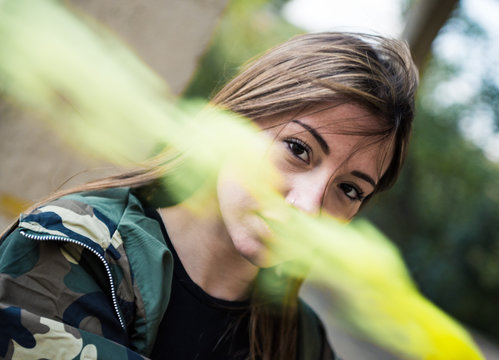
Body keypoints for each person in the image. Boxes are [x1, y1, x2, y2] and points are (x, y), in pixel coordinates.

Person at [0, 32, 418, 360]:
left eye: (349, 189)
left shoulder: (301, 340)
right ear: (237, 116)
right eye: (298, 149)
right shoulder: (74, 246)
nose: (308, 206)